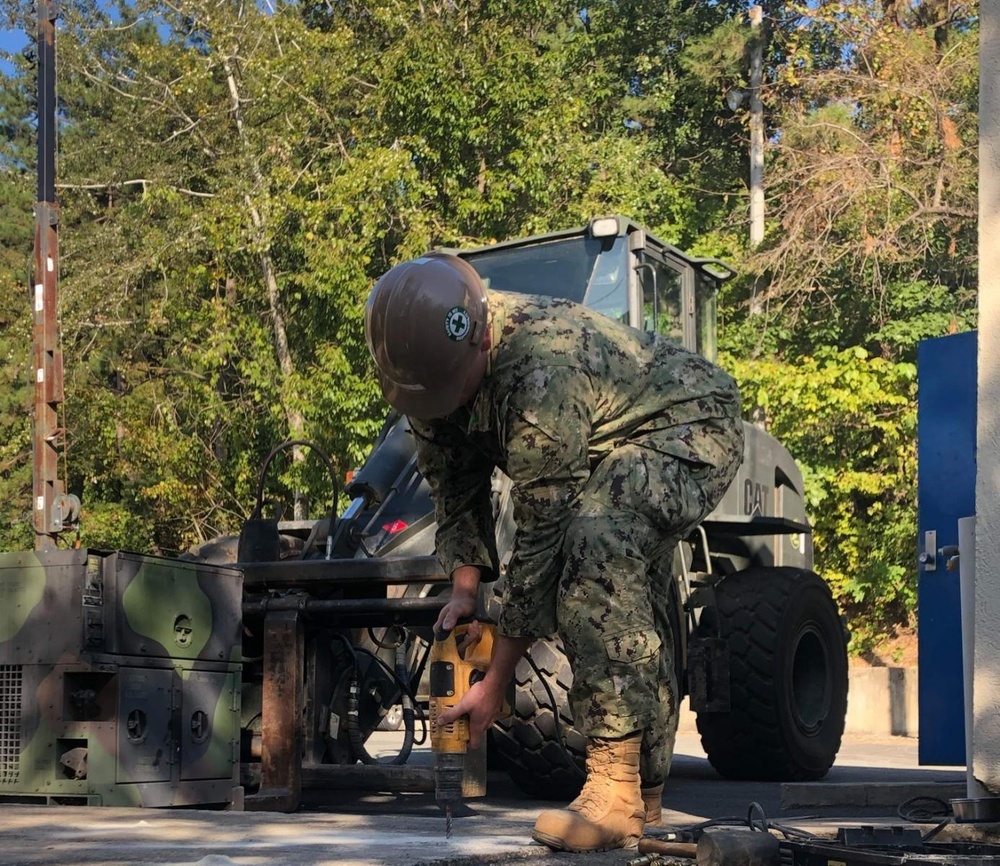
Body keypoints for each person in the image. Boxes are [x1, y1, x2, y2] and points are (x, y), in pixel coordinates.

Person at [364, 252, 744, 853]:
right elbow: (455, 489)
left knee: (595, 542)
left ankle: (615, 788)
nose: (444, 406)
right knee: (624, 584)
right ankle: (644, 791)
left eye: (452, 391)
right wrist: (464, 589)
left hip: (687, 428)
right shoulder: (427, 370)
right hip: (609, 448)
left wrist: (498, 677)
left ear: (482, 341)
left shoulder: (543, 369)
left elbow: (542, 539)